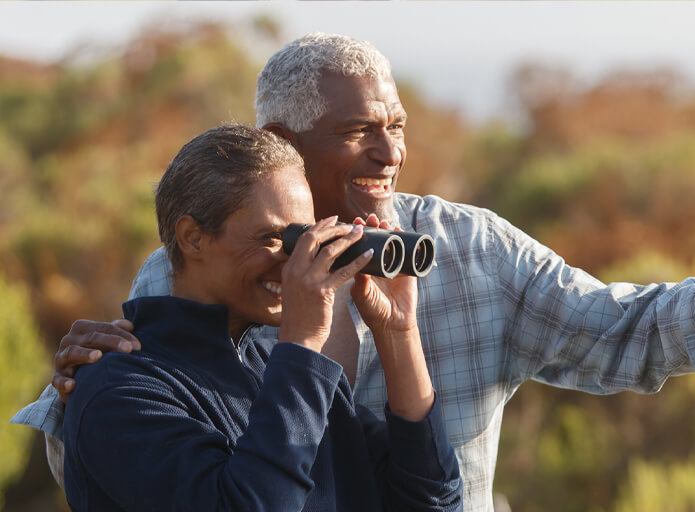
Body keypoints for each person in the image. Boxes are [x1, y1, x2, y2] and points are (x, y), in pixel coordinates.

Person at [12, 33, 695, 512]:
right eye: (359, 131)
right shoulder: (210, 272)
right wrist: (76, 388)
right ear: (281, 141)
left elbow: (612, 331)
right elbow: (124, 463)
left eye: (398, 126)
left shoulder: (468, 249)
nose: (391, 152)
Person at [61, 123, 462, 511]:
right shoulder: (120, 390)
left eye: (303, 237)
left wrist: (398, 333)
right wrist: (304, 341)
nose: (294, 261)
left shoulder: (285, 372)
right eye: (274, 238)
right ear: (193, 238)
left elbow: (432, 503)